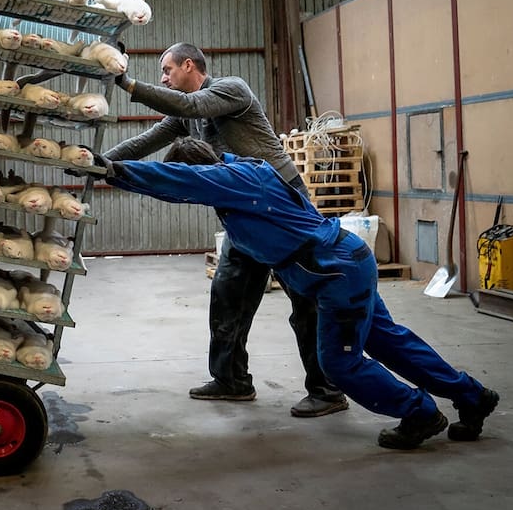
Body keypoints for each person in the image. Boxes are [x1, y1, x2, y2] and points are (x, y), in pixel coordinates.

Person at [95, 137, 500, 449]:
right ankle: (471, 396)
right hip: (344, 262)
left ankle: (420, 414)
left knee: (339, 364)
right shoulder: (242, 172)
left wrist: (114, 169)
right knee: (385, 340)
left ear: (205, 174)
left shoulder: (233, 180)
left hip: (336, 273)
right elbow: (189, 185)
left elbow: (180, 181)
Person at [106, 43, 347, 418]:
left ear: (190, 65)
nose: (164, 78)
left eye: (167, 70)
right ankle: (231, 380)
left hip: (281, 204)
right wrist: (99, 163)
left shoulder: (231, 89)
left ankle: (327, 390)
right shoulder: (186, 117)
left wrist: (128, 85)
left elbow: (188, 105)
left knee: (306, 300)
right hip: (241, 211)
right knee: (228, 294)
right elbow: (145, 142)